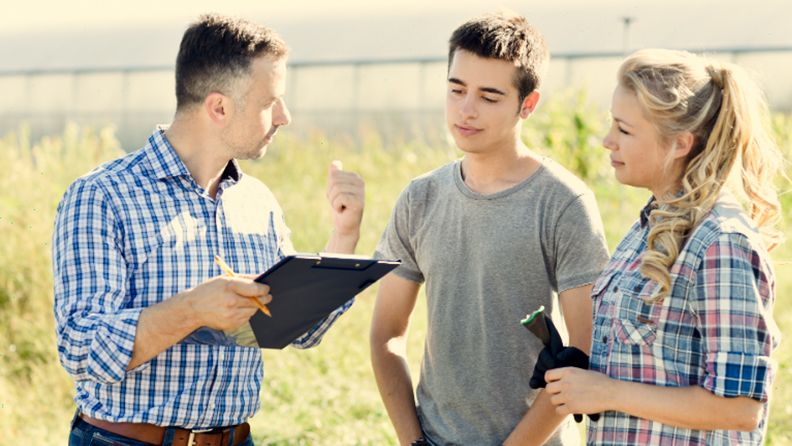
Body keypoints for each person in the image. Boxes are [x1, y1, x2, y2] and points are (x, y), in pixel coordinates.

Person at [53, 14, 365, 446]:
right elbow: (82, 349)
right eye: (269, 102)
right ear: (218, 107)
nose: (285, 116)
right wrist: (191, 311)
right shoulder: (102, 196)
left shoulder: (258, 202)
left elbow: (300, 330)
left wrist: (343, 238)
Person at [370, 12, 610, 446]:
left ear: (528, 105)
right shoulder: (419, 198)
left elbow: (585, 351)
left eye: (489, 96)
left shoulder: (563, 202)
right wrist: (413, 441)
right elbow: (387, 334)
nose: (466, 109)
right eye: (456, 89)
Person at [543, 49, 782, 445]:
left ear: (680, 144)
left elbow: (740, 408)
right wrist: (583, 376)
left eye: (624, 129)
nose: (606, 141)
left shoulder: (721, 243)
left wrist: (608, 392)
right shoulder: (646, 229)